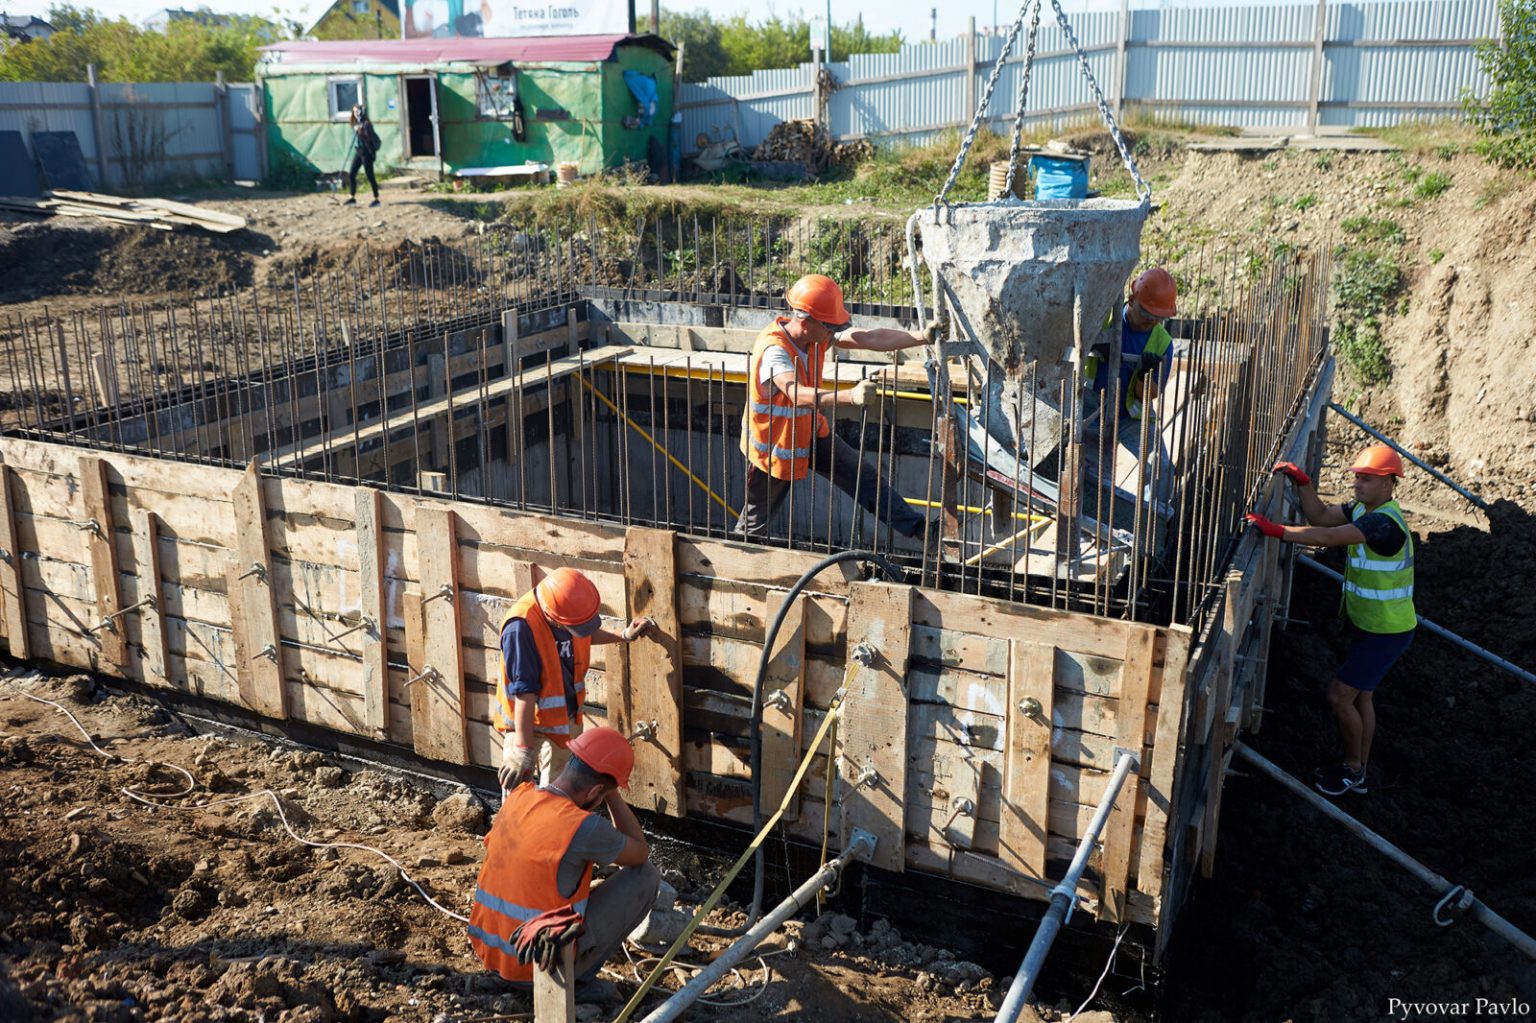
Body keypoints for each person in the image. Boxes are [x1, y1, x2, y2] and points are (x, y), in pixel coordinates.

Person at [1246, 444, 1416, 797]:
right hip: (1372, 626)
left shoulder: (1383, 523)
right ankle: (1360, 770)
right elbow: (1321, 517)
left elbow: (1328, 537)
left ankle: (1353, 770)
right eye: (1357, 478)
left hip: (1387, 632)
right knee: (1362, 697)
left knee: (1340, 697)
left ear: (1388, 484)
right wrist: (1303, 484)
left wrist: (1276, 530)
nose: (1358, 485)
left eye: (1366, 480)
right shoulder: (1364, 509)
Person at [735, 273, 939, 543]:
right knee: (755, 521)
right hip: (774, 446)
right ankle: (740, 557)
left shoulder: (815, 336)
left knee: (861, 475)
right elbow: (797, 393)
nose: (833, 332)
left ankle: (920, 530)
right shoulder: (775, 351)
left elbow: (869, 338)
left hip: (809, 431)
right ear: (805, 320)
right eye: (829, 326)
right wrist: (850, 397)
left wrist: (921, 337)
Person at [468, 726, 660, 1005]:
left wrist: (603, 786)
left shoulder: (519, 797)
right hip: (538, 968)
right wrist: (611, 794)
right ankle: (577, 983)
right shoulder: (583, 826)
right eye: (601, 793)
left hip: (492, 954)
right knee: (646, 877)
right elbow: (640, 854)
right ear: (595, 790)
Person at [495, 568, 656, 791]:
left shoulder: (567, 608)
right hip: (526, 724)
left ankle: (553, 826)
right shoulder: (520, 628)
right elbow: (524, 693)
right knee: (518, 797)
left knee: (557, 797)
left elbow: (583, 634)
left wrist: (623, 635)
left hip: (563, 721)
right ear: (555, 619)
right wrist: (522, 748)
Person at [1082, 267, 1178, 513]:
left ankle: (1150, 519)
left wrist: (1145, 376)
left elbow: (1149, 396)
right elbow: (1068, 350)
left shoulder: (1162, 342)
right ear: (1131, 299)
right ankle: (1092, 523)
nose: (1152, 321)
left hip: (1131, 417)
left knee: (1160, 466)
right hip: (1094, 412)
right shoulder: (1104, 320)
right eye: (1147, 313)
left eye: (1159, 317)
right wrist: (1092, 345)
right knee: (1094, 477)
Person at [346, 104, 381, 208]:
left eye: (358, 111)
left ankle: (376, 199)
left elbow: (369, 138)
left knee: (370, 176)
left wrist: (362, 132)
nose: (356, 114)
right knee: (351, 173)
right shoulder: (354, 123)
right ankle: (352, 197)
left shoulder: (366, 124)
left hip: (366, 152)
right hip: (358, 151)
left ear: (362, 112)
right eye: (354, 112)